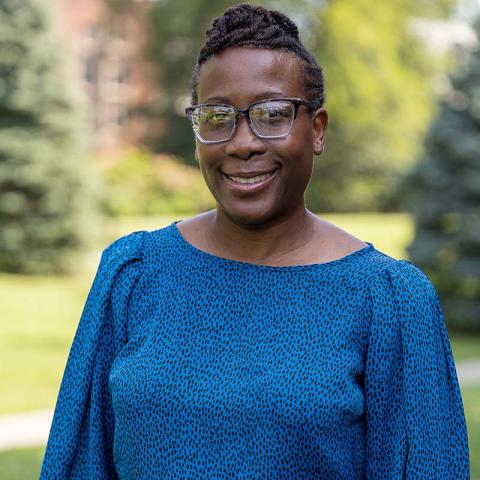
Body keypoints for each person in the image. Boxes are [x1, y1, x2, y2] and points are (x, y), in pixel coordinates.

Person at [39, 4, 470, 479]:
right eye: (217, 116)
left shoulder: (389, 300)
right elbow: (79, 464)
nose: (242, 142)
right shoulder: (134, 273)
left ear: (318, 130)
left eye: (271, 114)